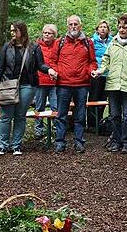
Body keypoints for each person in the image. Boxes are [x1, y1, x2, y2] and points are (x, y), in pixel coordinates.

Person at [91, 14, 127, 154]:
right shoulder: (112, 43)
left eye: (125, 27)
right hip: (113, 84)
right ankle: (116, 140)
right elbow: (105, 61)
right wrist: (99, 71)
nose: (121, 30)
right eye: (120, 27)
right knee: (114, 114)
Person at [0, 21, 48, 155]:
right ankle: (2, 146)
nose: (12, 33)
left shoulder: (34, 47)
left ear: (22, 31)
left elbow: (40, 65)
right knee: (6, 116)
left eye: (14, 31)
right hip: (8, 85)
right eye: (11, 31)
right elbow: (1, 67)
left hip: (27, 85)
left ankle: (16, 145)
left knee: (20, 116)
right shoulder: (7, 47)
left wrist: (49, 70)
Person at [49, 15, 96, 153]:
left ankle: (79, 141)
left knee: (80, 115)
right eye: (71, 24)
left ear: (80, 26)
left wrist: (91, 71)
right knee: (61, 114)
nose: (73, 26)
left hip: (82, 84)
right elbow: (53, 61)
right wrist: (55, 72)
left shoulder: (88, 43)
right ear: (67, 26)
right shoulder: (60, 42)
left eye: (76, 24)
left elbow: (92, 62)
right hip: (63, 83)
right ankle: (60, 142)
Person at [33, 24, 59, 140]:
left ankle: (57, 129)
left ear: (54, 35)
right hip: (40, 80)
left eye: (49, 33)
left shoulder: (58, 45)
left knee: (55, 106)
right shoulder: (36, 46)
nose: (47, 35)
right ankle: (39, 130)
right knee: (39, 107)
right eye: (45, 33)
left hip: (55, 81)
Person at [88, 20, 113, 131]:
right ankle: (92, 124)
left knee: (103, 98)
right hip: (96, 74)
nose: (103, 29)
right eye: (101, 27)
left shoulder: (112, 41)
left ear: (108, 30)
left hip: (108, 74)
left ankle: (100, 121)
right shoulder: (92, 41)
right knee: (94, 98)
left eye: (105, 27)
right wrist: (94, 70)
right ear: (97, 29)